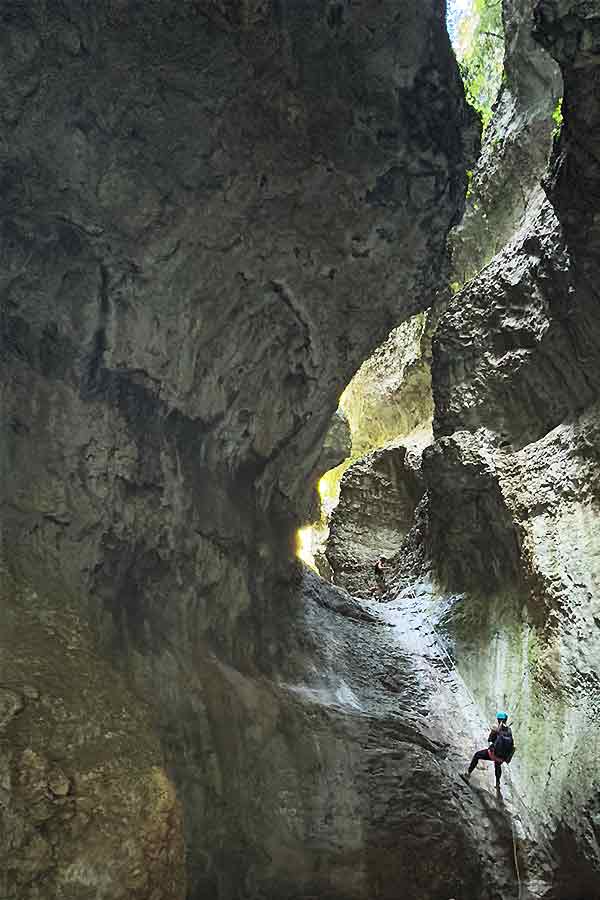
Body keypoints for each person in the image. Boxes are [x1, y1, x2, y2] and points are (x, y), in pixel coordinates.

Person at [460, 711, 514, 790]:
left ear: (498, 720)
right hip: (502, 758)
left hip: (493, 754)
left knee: (477, 755)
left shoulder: (496, 729)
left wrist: (493, 732)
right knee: (497, 765)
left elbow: (490, 740)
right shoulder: (509, 731)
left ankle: (468, 774)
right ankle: (497, 784)